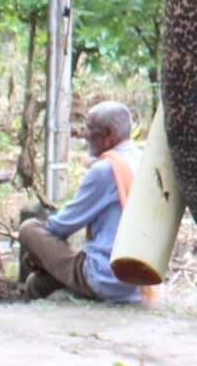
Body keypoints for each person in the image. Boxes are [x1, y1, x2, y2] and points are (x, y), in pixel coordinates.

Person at [17, 101, 148, 303]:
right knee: (37, 283)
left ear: (109, 134)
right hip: (138, 282)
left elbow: (60, 226)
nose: (84, 134)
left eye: (90, 128)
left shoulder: (105, 170)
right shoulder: (143, 161)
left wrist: (38, 253)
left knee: (29, 229)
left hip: (105, 277)